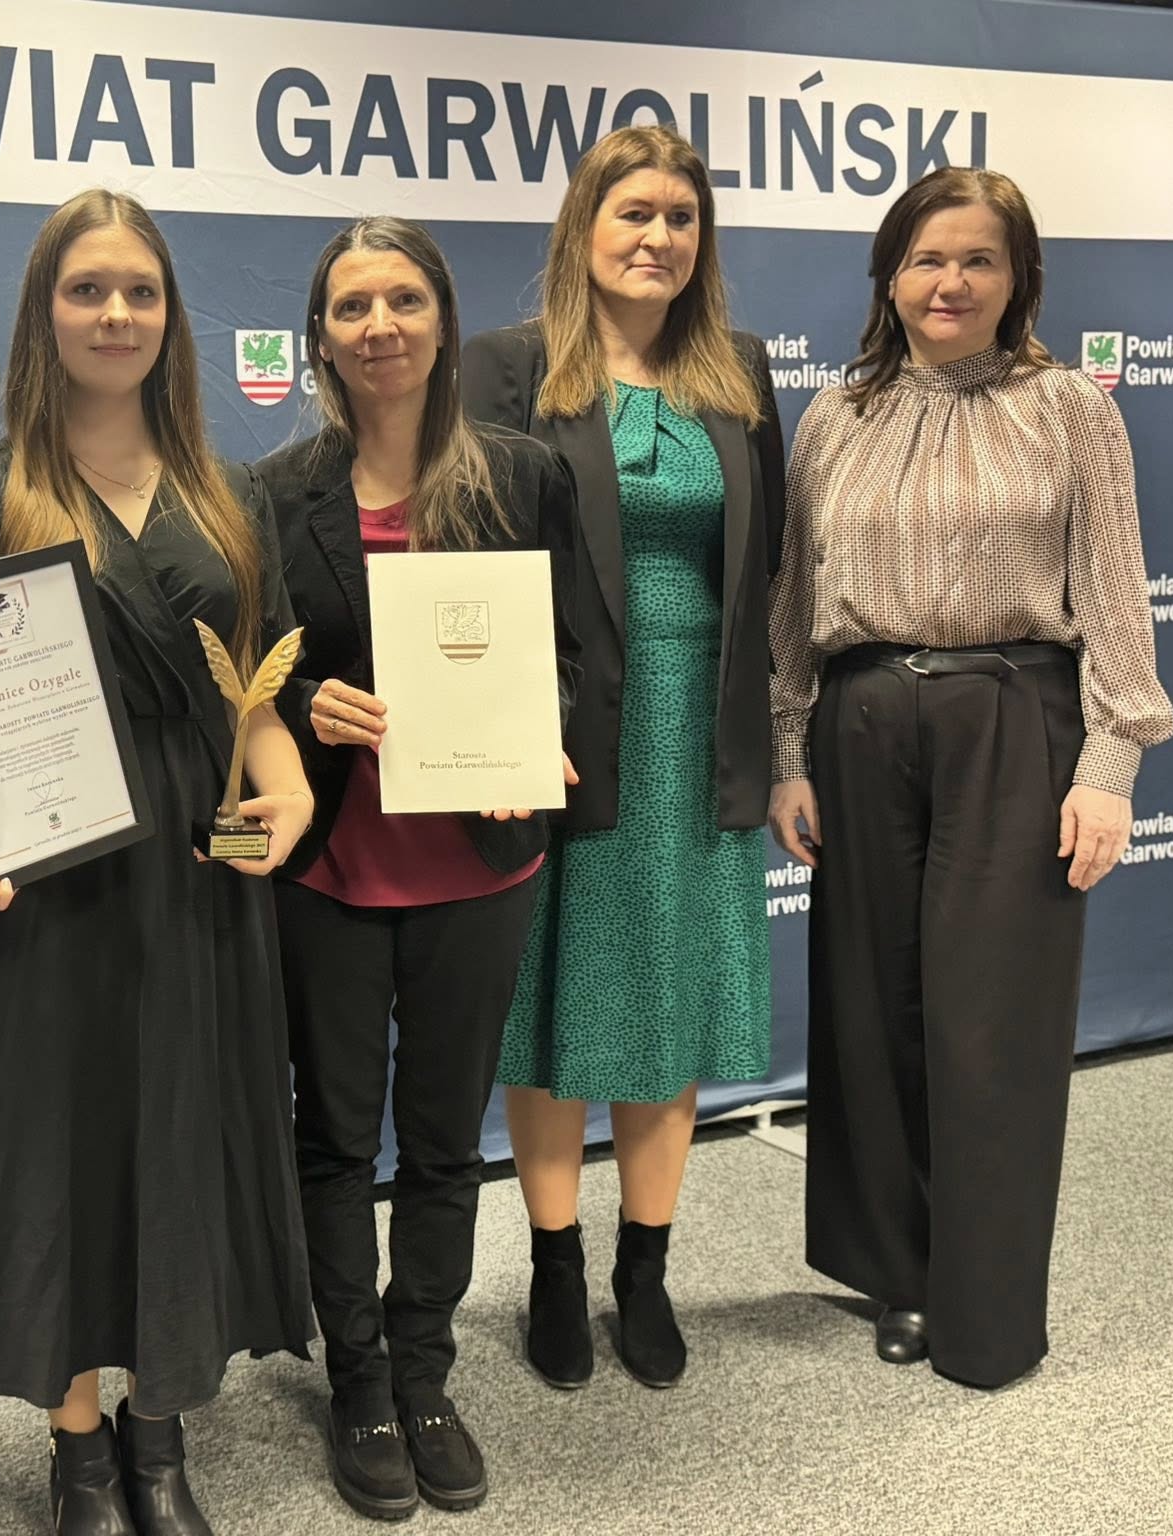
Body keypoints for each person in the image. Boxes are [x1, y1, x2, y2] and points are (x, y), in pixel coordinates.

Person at [0, 189, 313, 1536]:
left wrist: (289, 791)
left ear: (170, 316)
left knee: (180, 1134)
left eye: (140, 291)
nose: (115, 313)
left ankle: (159, 1429)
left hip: (194, 874)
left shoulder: (230, 499)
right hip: (47, 877)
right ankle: (77, 1446)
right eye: (87, 289)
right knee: (55, 1148)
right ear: (43, 313)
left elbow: (254, 701)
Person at [768, 166, 1173, 1389]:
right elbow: (792, 602)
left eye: (977, 259)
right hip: (859, 722)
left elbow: (1113, 592)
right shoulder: (833, 416)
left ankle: (984, 1308)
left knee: (991, 1023)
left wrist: (1108, 764)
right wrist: (786, 752)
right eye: (925, 258)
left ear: (1017, 278)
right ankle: (897, 1271)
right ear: (888, 275)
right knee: (872, 1009)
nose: (948, 282)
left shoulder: (1067, 409)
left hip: (1011, 718)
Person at [253, 217, 578, 1519]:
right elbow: (249, 676)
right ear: (319, 336)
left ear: (443, 321)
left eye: (402, 299)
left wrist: (538, 740)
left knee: (444, 1143)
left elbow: (570, 654)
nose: (378, 325)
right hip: (330, 866)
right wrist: (308, 702)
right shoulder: (270, 492)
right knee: (334, 1139)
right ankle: (358, 1384)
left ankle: (426, 1374)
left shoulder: (523, 476)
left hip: (479, 867)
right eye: (350, 306)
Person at [459, 123, 785, 1390]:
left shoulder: (738, 372)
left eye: (679, 217)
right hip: (560, 732)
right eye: (632, 213)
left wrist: (779, 746)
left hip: (699, 733)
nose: (657, 237)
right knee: (553, 1002)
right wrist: (500, 730)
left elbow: (768, 569)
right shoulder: (506, 368)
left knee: (671, 998)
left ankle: (642, 1270)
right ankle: (552, 1264)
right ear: (581, 227)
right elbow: (471, 555)